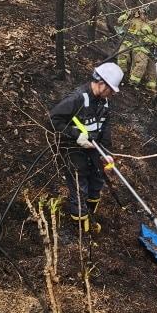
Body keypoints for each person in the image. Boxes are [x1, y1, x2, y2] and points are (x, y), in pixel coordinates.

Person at [48, 62, 123, 233]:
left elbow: (105, 130)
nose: (111, 94)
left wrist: (107, 154)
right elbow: (53, 120)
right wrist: (75, 135)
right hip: (73, 148)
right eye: (110, 89)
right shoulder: (77, 98)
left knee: (97, 181)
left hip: (94, 148)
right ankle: (81, 227)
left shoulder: (105, 103)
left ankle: (90, 215)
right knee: (80, 185)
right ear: (101, 82)